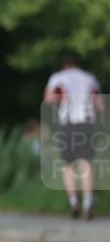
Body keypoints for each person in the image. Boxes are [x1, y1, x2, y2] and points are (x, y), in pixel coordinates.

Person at [44, 55, 103, 220]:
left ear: (64, 65)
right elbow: (99, 104)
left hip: (68, 123)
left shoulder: (57, 78)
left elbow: (49, 99)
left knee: (68, 165)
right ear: (78, 64)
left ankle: (73, 201)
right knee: (86, 164)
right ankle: (88, 203)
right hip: (87, 123)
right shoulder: (90, 78)